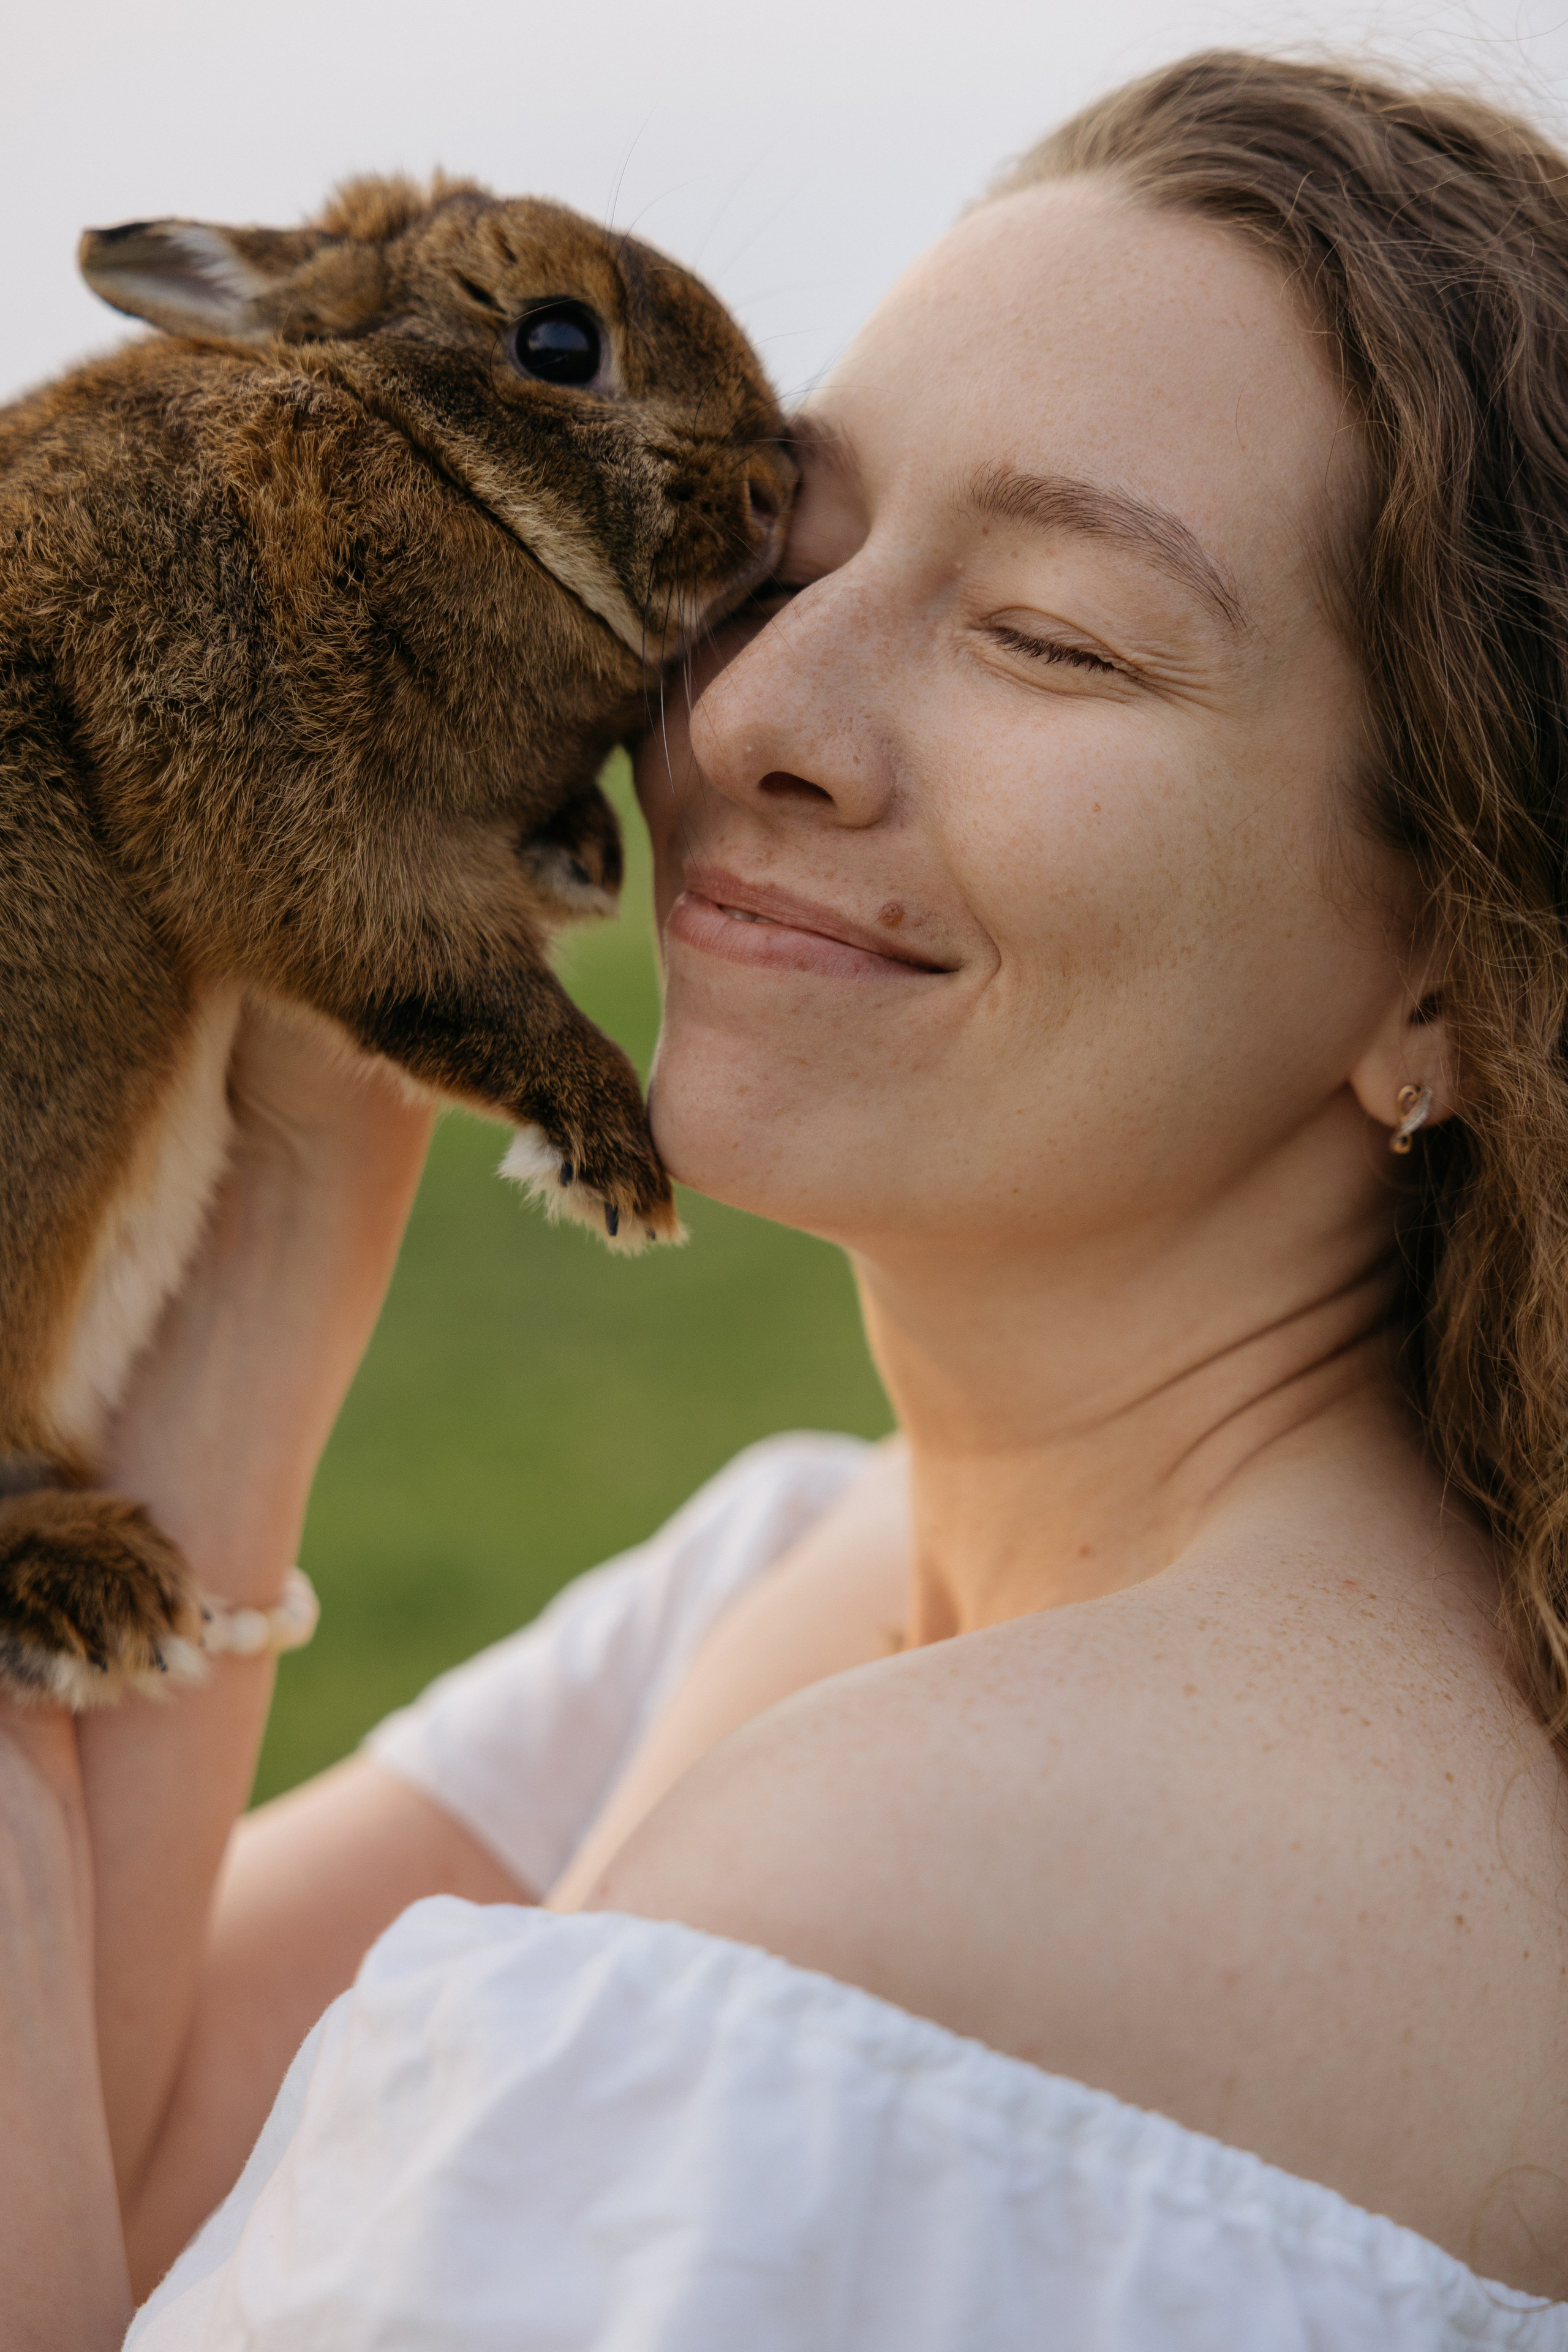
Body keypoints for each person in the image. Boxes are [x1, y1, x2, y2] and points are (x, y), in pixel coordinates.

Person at [8, 45, 1568, 2350]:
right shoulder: (825, 1562)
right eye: (790, 552)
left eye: (1049, 631)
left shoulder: (879, 1903)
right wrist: (284, 1168)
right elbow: (113, 2200)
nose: (748, 716)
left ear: (1449, 960)